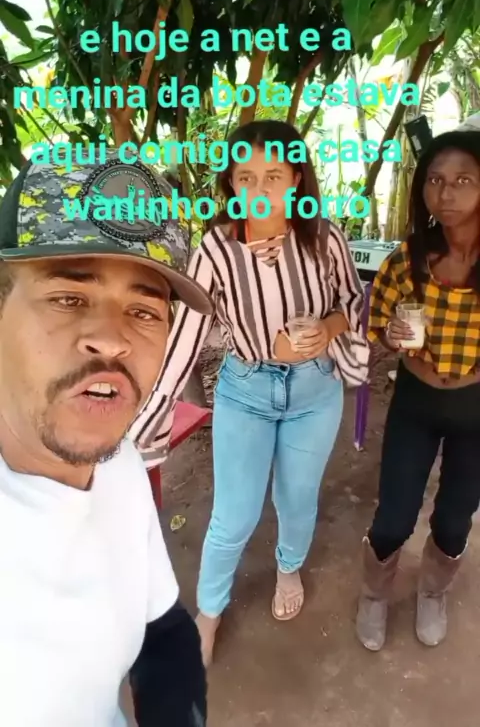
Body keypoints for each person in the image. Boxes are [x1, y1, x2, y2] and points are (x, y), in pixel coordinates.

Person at [129, 120, 369, 666]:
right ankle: (209, 612)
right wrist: (154, 409)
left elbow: (353, 303)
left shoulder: (324, 237)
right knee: (233, 515)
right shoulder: (216, 249)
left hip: (315, 391)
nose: (259, 191)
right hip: (246, 390)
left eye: (274, 176)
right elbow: (187, 335)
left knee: (296, 498)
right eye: (246, 177)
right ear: (231, 183)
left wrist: (326, 330)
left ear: (297, 180)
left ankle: (289, 568)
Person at [0, 152, 213, 726]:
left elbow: (163, 629)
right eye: (69, 298)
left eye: (144, 310)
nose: (113, 340)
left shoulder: (119, 463)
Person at [356, 129, 480, 652]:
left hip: (475, 406)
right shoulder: (407, 259)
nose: (445, 194)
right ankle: (374, 593)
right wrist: (391, 334)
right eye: (434, 180)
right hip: (416, 400)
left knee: (454, 517)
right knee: (395, 514)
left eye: (463, 181)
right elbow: (379, 325)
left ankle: (433, 591)